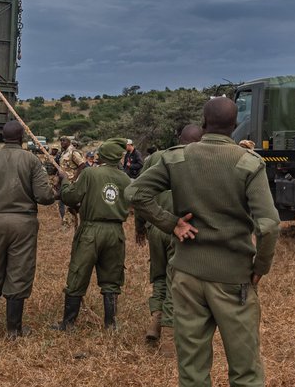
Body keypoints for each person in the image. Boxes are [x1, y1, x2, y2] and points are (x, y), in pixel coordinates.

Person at [127, 97, 282, 387]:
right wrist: (260, 266)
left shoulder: (176, 158)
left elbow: (135, 194)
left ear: (204, 122)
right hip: (234, 280)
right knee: (245, 371)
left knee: (193, 369)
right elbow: (270, 225)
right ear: (235, 127)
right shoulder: (248, 164)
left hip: (187, 276)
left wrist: (171, 223)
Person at [0, 121, 57, 337]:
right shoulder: (32, 160)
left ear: (2, 137)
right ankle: (13, 329)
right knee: (19, 271)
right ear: (22, 138)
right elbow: (44, 197)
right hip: (24, 224)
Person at [132, 123, 203, 345]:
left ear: (178, 138)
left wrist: (140, 226)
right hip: (182, 229)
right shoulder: (199, 160)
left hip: (157, 227)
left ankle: (155, 318)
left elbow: (139, 194)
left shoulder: (156, 158)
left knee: (160, 277)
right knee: (176, 280)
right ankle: (169, 336)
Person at [53, 138, 132, 331]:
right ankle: (110, 324)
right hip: (115, 232)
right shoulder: (125, 179)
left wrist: (64, 182)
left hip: (91, 230)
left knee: (78, 273)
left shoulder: (90, 173)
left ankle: (68, 323)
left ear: (102, 156)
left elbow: (71, 196)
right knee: (112, 278)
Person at [57, 136, 86, 228]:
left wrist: (75, 178)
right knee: (62, 202)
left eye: (64, 140)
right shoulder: (63, 153)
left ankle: (70, 224)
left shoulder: (73, 152)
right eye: (61, 140)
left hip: (71, 182)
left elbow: (82, 164)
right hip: (64, 181)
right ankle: (67, 222)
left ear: (69, 142)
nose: (62, 142)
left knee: (69, 204)